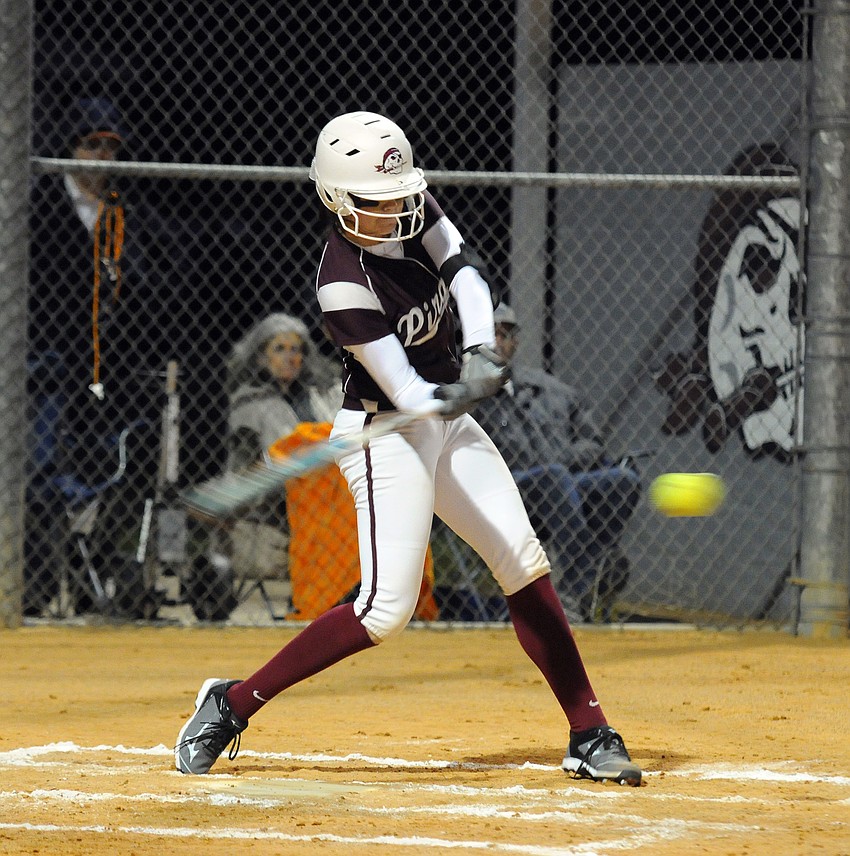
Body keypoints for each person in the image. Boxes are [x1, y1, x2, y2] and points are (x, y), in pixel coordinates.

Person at [174, 111, 642, 786]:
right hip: (382, 436)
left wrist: (479, 350)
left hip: (443, 422)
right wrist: (447, 394)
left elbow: (466, 274)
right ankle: (232, 703)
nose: (395, 210)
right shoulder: (340, 280)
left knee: (522, 559)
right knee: (383, 611)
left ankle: (589, 731)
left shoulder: (408, 203)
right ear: (338, 200)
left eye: (400, 196)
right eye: (376, 202)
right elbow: (403, 386)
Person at [25, 97, 183, 615]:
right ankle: (38, 587)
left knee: (132, 465)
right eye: (91, 145)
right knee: (41, 472)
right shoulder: (38, 205)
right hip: (51, 363)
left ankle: (117, 583)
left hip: (113, 367)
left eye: (111, 147)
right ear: (71, 150)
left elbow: (161, 288)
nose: (102, 157)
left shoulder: (128, 212)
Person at [473, 304, 642, 621]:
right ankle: (588, 567)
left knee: (623, 481)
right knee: (554, 476)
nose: (497, 341)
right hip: (510, 493)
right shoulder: (470, 397)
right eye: (490, 333)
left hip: (565, 489)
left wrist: (564, 460)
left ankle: (570, 593)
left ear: (516, 342)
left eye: (505, 333)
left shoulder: (553, 391)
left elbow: (593, 443)